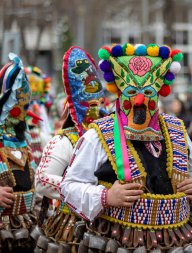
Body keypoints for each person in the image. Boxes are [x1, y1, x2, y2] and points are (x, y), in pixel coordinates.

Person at [60, 43, 192, 252]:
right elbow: (69, 186)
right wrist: (106, 197)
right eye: (132, 91)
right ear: (120, 93)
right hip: (120, 240)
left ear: (157, 94)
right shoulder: (98, 134)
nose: (139, 100)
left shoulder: (177, 129)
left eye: (147, 91)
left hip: (176, 240)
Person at [32, 46, 107, 252]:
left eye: (99, 103)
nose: (97, 110)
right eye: (89, 104)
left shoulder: (111, 138)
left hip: (107, 226)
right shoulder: (64, 141)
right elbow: (42, 181)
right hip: (72, 229)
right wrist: (87, 191)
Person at [0, 53, 36, 252]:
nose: (19, 112)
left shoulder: (23, 139)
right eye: (15, 105)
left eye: (24, 106)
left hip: (25, 229)